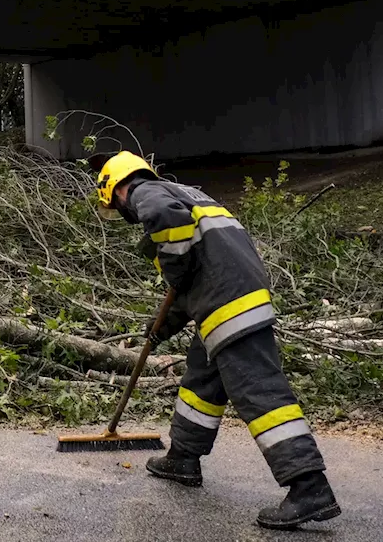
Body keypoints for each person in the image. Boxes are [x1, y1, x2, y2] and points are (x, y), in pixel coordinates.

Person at [93, 151, 340, 531]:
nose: (122, 212)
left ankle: (309, 486)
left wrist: (174, 270)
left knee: (259, 392)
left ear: (117, 190)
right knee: (202, 380)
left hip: (229, 303)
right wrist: (161, 329)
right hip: (230, 296)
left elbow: (175, 247)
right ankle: (182, 457)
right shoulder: (189, 194)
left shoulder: (148, 193)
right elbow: (191, 281)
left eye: (114, 205)